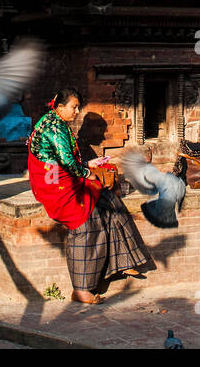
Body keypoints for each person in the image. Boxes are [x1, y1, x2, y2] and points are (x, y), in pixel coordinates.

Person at [28, 88, 150, 304]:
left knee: (111, 201)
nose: (76, 112)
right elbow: (66, 163)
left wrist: (87, 167)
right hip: (53, 183)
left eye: (78, 108)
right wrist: (89, 173)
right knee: (86, 223)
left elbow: (69, 161)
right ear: (60, 107)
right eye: (74, 107)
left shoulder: (59, 122)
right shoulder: (54, 128)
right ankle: (81, 289)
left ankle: (124, 259)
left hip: (65, 177)